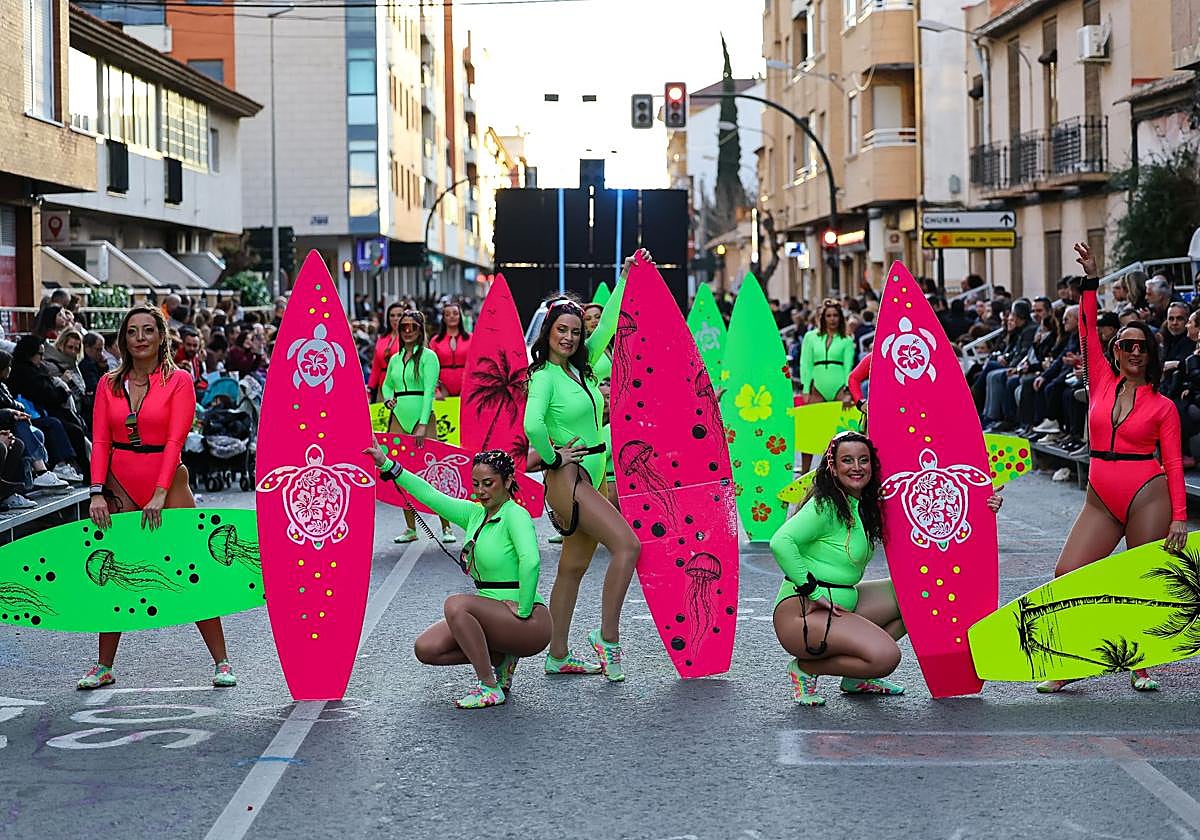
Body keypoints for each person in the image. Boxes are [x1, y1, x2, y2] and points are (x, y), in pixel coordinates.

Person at [1037, 243, 1190, 694]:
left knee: (1139, 581)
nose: (1135, 351)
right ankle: (1073, 661)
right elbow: (1086, 326)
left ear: (1151, 352)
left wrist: (1179, 515)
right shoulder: (1101, 380)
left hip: (1149, 491)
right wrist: (1091, 280)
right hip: (1101, 494)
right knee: (1069, 575)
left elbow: (1175, 463)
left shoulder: (1163, 407)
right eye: (1127, 344)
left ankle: (1141, 665)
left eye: (1143, 345)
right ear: (1116, 349)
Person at [770, 431, 1003, 705]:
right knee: (885, 657)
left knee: (918, 595)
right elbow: (781, 542)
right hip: (802, 614)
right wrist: (812, 590)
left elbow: (929, 514)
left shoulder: (867, 505)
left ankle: (856, 678)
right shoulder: (826, 505)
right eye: (847, 460)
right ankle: (806, 669)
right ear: (832, 466)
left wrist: (982, 505)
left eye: (863, 460)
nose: (856, 467)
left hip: (843, 602)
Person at [78, 305, 235, 691]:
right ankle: (103, 665)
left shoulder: (178, 380)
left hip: (169, 482)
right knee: (112, 572)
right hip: (118, 482)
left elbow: (175, 441)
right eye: (132, 332)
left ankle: (222, 661)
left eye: (149, 330)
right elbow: (99, 441)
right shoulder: (107, 384)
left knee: (193, 569)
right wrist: (96, 491)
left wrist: (161, 493)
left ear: (162, 336)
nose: (141, 338)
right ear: (123, 339)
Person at [523, 251, 645, 681]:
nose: (570, 338)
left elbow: (608, 321)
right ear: (548, 332)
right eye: (562, 330)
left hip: (591, 475)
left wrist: (626, 275)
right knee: (628, 546)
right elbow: (531, 424)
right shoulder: (543, 376)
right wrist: (554, 456)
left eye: (576, 331)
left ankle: (557, 655)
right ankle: (607, 639)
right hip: (569, 478)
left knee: (572, 568)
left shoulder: (584, 369)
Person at [364, 444, 551, 708]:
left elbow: (530, 562)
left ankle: (488, 686)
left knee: (456, 604)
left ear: (508, 481)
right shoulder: (474, 514)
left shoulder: (515, 515)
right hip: (492, 614)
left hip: (530, 621)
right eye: (476, 484)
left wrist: (523, 607)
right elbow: (429, 494)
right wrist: (386, 464)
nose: (481, 491)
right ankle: (500, 658)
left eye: (488, 483)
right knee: (426, 648)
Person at [382, 309, 452, 543]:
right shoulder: (394, 358)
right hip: (398, 418)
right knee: (398, 471)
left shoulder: (429, 357)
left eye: (413, 326)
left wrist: (423, 424)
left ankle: (446, 526)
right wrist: (390, 398)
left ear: (421, 329)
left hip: (423, 418)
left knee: (433, 472)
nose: (408, 330)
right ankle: (410, 528)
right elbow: (387, 384)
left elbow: (429, 391)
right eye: (404, 327)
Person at [9, 335, 89, 478]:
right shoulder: (25, 372)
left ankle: (83, 469)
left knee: (75, 426)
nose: (42, 358)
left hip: (42, 412)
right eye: (40, 354)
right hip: (34, 415)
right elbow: (47, 395)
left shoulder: (35, 369)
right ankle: (64, 465)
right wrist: (62, 392)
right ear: (29, 354)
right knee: (61, 426)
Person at [800, 301, 855, 405]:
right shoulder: (810, 337)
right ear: (823, 318)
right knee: (816, 420)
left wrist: (848, 391)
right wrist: (806, 389)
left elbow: (848, 367)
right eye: (828, 316)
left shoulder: (847, 340)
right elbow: (806, 364)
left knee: (843, 420)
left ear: (840, 318)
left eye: (835, 315)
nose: (832, 319)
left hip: (840, 387)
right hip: (817, 387)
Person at [429, 301, 471, 398]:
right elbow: (429, 368)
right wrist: (436, 389)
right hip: (442, 388)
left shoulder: (471, 339)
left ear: (460, 317)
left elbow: (476, 364)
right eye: (447, 314)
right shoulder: (435, 341)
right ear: (443, 318)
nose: (452, 316)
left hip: (466, 386)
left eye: (455, 313)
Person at [366, 303, 404, 402]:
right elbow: (376, 367)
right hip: (383, 385)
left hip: (404, 384)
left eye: (399, 315)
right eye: (392, 315)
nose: (395, 318)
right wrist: (370, 389)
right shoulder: (382, 339)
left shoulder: (409, 338)